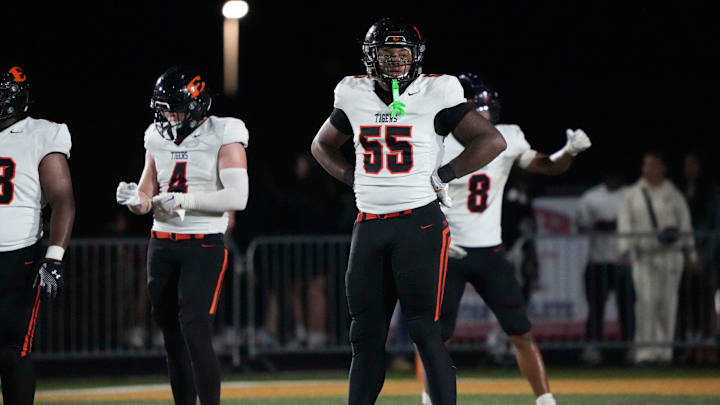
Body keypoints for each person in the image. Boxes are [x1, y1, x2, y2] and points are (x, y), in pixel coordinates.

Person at [311, 18, 506, 405]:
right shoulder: (352, 93)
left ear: (416, 56)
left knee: (425, 331)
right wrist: (354, 178)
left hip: (418, 223)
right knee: (364, 336)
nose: (397, 61)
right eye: (388, 53)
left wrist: (443, 175)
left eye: (403, 53)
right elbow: (321, 146)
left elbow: (491, 140)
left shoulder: (437, 90)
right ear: (372, 56)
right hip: (368, 224)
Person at [423, 73, 591, 405]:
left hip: (490, 251)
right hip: (447, 251)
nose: (484, 116)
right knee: (435, 337)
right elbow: (416, 194)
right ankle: (431, 400)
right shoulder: (434, 140)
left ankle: (545, 400)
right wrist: (433, 238)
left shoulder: (508, 137)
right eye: (477, 108)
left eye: (488, 109)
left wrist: (568, 152)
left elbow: (545, 165)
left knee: (521, 330)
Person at [116, 66, 249, 405]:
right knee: (171, 334)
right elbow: (148, 192)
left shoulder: (225, 131)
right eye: (163, 107)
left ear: (198, 105)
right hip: (161, 243)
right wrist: (136, 201)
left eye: (176, 107)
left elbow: (238, 197)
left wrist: (185, 200)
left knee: (195, 328)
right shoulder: (155, 135)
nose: (169, 115)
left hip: (203, 242)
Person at [0, 65, 75, 405]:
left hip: (19, 257)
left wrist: (54, 257)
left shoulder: (41, 134)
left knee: (13, 351)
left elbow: (62, 199)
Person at [617, 151, 697, 364]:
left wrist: (692, 253)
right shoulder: (633, 193)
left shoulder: (673, 193)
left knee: (668, 304)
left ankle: (664, 351)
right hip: (644, 256)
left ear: (662, 167)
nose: (647, 169)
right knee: (645, 303)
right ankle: (645, 352)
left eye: (652, 165)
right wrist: (624, 249)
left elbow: (685, 223)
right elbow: (625, 221)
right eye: (645, 165)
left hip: (671, 256)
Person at [576, 171, 635, 364]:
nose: (613, 178)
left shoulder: (630, 194)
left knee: (627, 307)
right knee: (596, 307)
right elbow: (581, 225)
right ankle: (593, 347)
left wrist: (618, 225)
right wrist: (599, 226)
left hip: (624, 261)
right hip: (598, 261)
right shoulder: (592, 196)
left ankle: (630, 346)